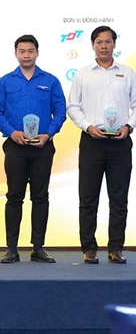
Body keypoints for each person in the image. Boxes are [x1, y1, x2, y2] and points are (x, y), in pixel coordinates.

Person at [0, 35, 66, 264]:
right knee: (14, 196)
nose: (26, 55)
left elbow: (60, 112)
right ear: (16, 54)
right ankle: (11, 248)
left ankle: (38, 248)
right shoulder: (5, 82)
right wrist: (11, 132)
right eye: (22, 51)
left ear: (37, 53)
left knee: (40, 196)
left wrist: (48, 134)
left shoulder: (50, 81)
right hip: (16, 147)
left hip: (42, 147)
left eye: (30, 51)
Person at [67, 26, 135, 264]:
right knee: (88, 198)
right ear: (92, 45)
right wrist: (88, 127)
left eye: (108, 41)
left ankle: (116, 248)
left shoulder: (128, 73)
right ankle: (89, 248)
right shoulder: (83, 74)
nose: (104, 46)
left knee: (119, 199)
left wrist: (128, 126)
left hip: (120, 142)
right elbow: (73, 106)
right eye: (99, 42)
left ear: (114, 44)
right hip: (92, 142)